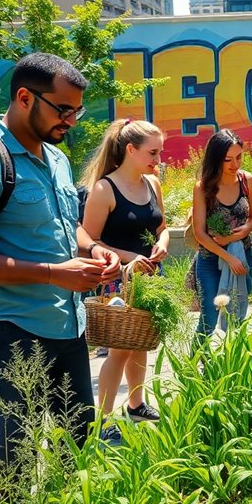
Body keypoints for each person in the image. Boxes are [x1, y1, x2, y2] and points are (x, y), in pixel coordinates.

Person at [0, 52, 120, 504]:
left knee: (76, 435)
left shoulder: (55, 156)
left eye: (77, 111)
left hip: (65, 320)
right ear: (24, 98)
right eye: (63, 110)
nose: (72, 121)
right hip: (10, 325)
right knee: (18, 444)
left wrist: (95, 248)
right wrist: (52, 274)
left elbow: (67, 229)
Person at [81, 118, 168, 437]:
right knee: (119, 349)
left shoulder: (152, 183)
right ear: (130, 150)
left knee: (140, 344)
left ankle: (136, 405)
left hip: (149, 279)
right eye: (152, 152)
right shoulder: (104, 189)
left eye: (159, 152)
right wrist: (131, 257)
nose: (158, 160)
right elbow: (89, 241)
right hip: (119, 280)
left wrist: (161, 244)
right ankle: (102, 421)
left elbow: (162, 228)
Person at [192, 129, 252, 348]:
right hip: (211, 259)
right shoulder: (203, 187)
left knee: (237, 315)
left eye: (239, 157)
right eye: (228, 159)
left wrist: (246, 229)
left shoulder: (247, 180)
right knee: (208, 319)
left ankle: (232, 367)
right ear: (216, 159)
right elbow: (199, 233)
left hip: (243, 254)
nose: (235, 164)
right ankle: (196, 368)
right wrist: (228, 257)